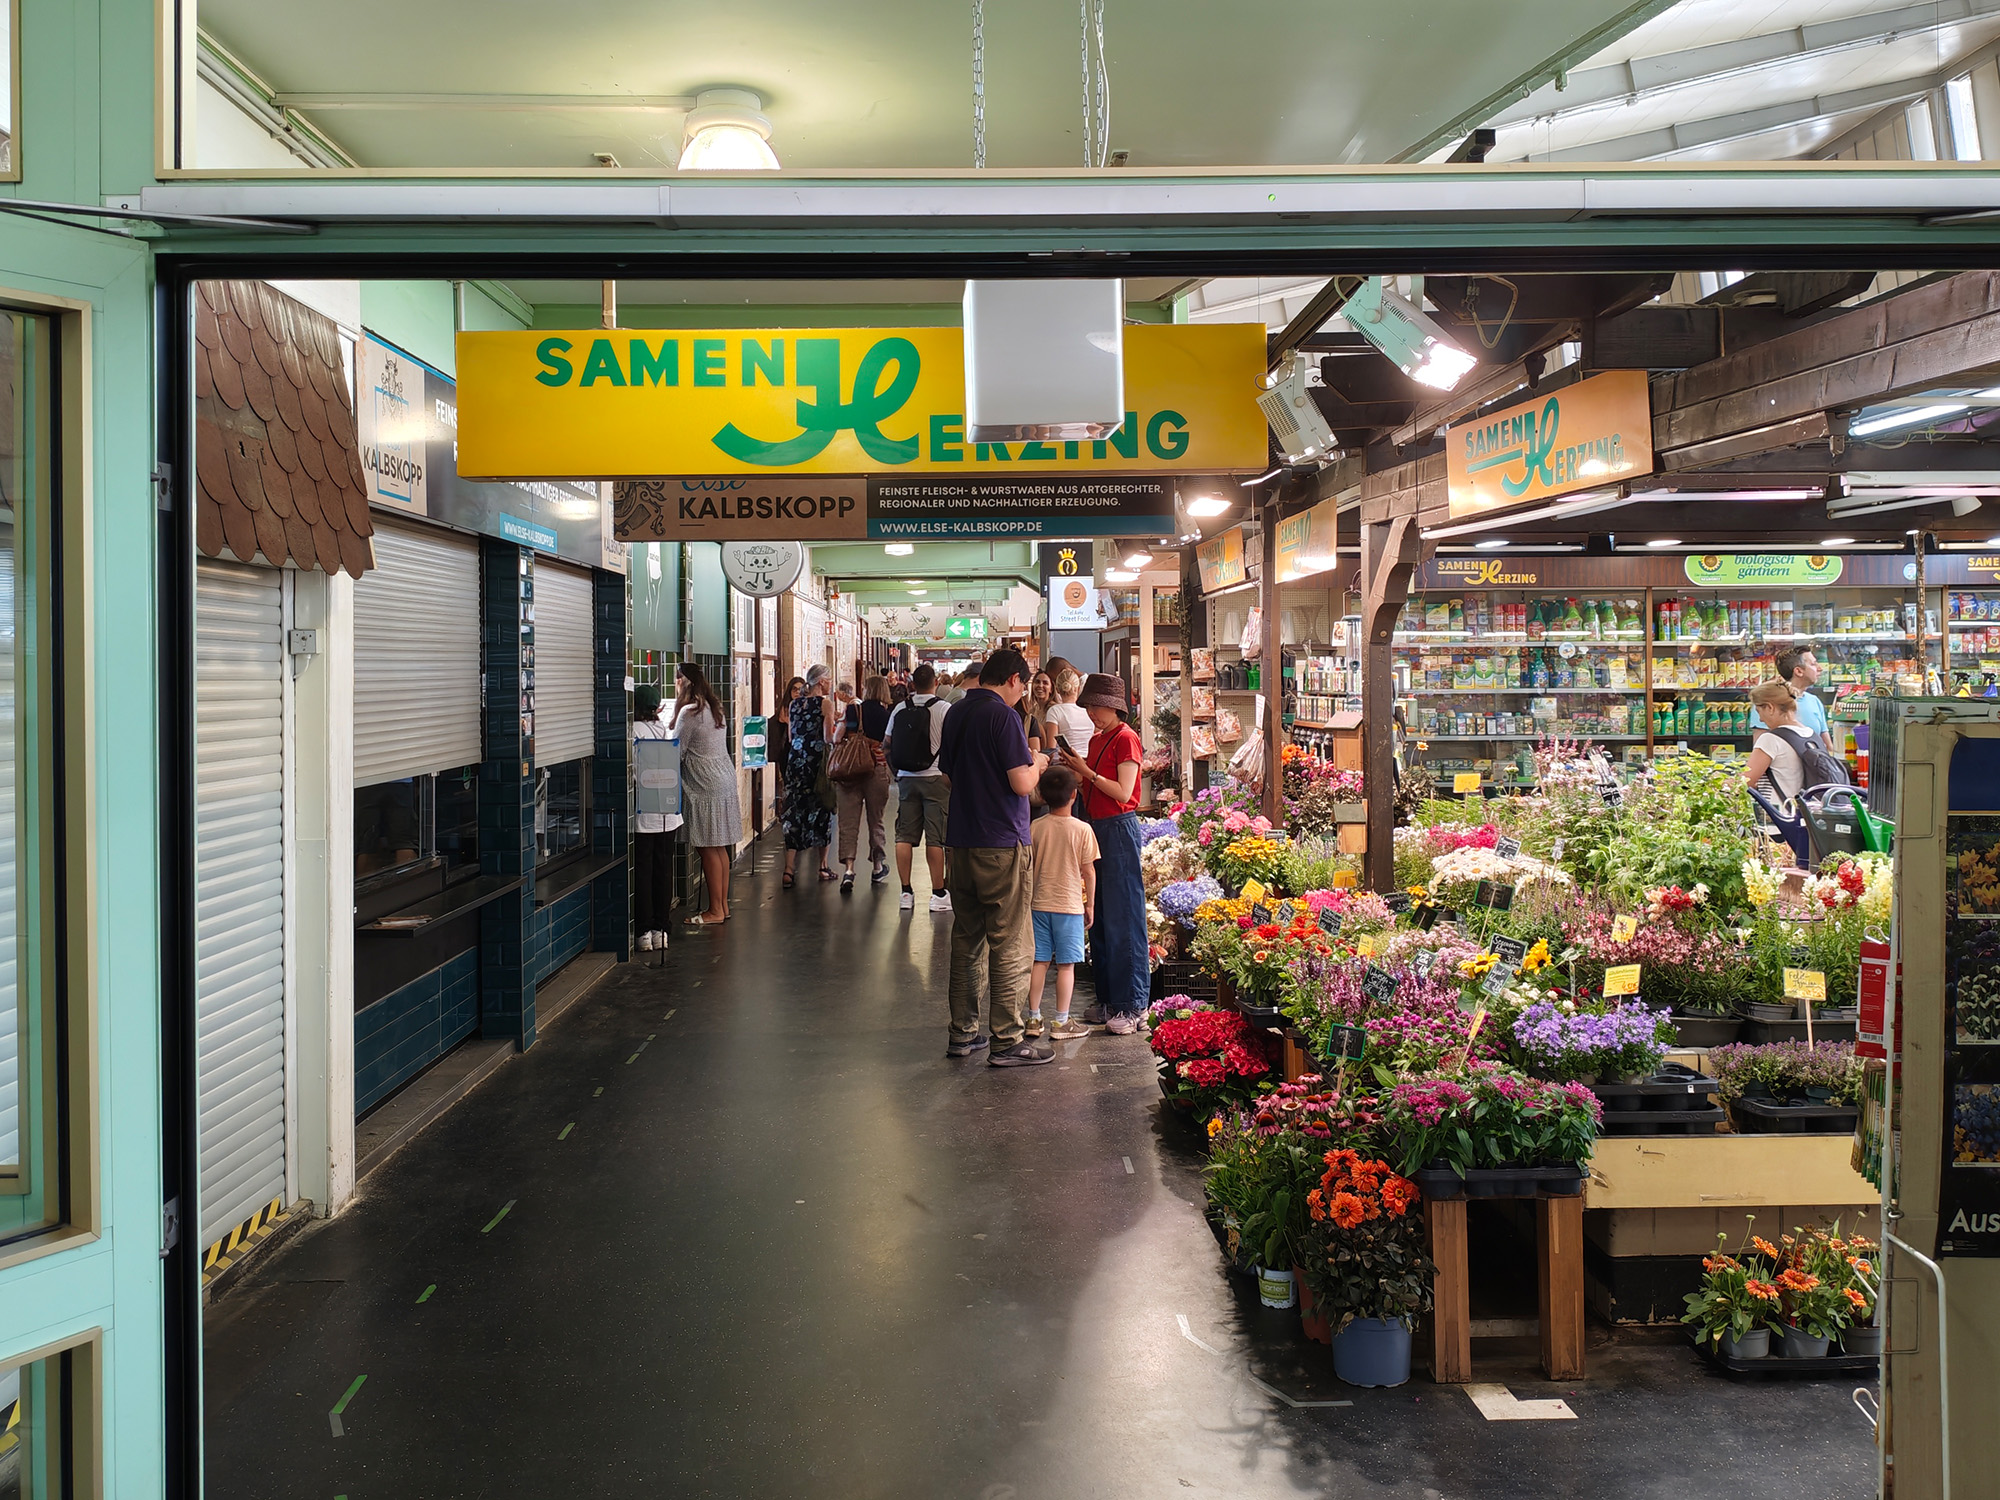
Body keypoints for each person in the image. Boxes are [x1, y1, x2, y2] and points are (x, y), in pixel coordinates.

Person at [938, 649, 1051, 1066]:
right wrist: (1038, 763)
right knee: (1011, 942)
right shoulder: (1003, 716)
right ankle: (1007, 1039)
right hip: (1002, 843)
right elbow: (1021, 783)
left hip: (961, 842)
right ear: (1014, 680)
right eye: (1023, 686)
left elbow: (947, 777)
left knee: (967, 939)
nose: (1023, 694)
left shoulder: (956, 712)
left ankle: (963, 1033)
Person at [1057, 672, 1148, 1034]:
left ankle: (1133, 1004)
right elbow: (1093, 786)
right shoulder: (1098, 740)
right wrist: (1077, 772)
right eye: (1088, 707)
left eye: (1096, 706)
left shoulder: (1126, 739)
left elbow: (1124, 793)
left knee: (1124, 917)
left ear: (1114, 707)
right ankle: (1109, 999)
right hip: (1095, 825)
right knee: (1100, 917)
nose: (1091, 713)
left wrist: (1087, 773)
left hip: (1119, 829)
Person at [1026, 764, 1097, 1041]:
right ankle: (1061, 1022)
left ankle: (1033, 1019)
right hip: (1069, 906)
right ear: (1074, 795)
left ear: (1042, 796)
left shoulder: (1035, 827)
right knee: (1067, 965)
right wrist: (1090, 905)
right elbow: (1089, 871)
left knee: (1039, 962)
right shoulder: (1082, 829)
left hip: (1038, 904)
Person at [672, 662, 742, 928]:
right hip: (723, 778)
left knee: (707, 847)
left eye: (677, 679)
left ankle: (714, 910)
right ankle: (722, 906)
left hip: (704, 784)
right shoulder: (714, 708)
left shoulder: (689, 712)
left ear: (683, 681)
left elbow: (676, 750)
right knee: (718, 846)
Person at [886, 663, 953, 912]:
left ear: (912, 684)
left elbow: (887, 744)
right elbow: (954, 744)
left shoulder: (900, 708)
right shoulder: (945, 709)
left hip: (906, 778)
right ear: (935, 683)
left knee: (904, 835)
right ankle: (938, 894)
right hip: (936, 778)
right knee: (935, 838)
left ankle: (905, 892)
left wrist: (898, 772)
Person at [631, 683, 680, 951]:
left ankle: (643, 932)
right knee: (664, 871)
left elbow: (632, 772)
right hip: (668, 813)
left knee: (643, 872)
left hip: (644, 813)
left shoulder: (633, 731)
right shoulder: (664, 731)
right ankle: (662, 929)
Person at [835, 675, 893, 891]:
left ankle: (849, 870)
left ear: (867, 689)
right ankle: (877, 866)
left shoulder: (853, 710)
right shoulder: (887, 715)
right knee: (876, 820)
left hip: (850, 770)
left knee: (848, 821)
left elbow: (837, 737)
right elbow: (890, 744)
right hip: (876, 769)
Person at [782, 665, 837, 886]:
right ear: (821, 682)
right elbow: (828, 737)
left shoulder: (794, 704)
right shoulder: (825, 704)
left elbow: (791, 736)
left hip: (795, 763)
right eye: (829, 679)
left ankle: (788, 869)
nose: (830, 682)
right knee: (822, 810)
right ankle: (822, 866)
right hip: (816, 765)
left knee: (794, 813)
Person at [1744, 678, 1807, 805]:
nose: (1760, 720)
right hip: (1804, 813)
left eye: (1759, 712)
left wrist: (1716, 783)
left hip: (1778, 813)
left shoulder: (1770, 739)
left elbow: (1745, 782)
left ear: (1770, 708)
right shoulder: (1810, 735)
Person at [1774, 644, 1833, 752]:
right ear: (1799, 671)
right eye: (1813, 664)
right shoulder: (1770, 702)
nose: (1820, 668)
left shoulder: (1814, 701)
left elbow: (1827, 747)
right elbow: (1760, 745)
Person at [1043, 665, 1095, 763]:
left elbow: (1051, 748)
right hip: (1087, 763)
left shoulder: (1054, 711)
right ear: (1078, 689)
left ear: (1057, 689)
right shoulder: (1088, 711)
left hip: (1064, 763)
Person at [772, 676, 804, 819]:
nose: (797, 692)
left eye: (800, 689)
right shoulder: (786, 708)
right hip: (787, 750)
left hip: (800, 750)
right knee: (789, 782)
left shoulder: (804, 706)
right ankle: (789, 813)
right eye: (794, 689)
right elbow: (793, 728)